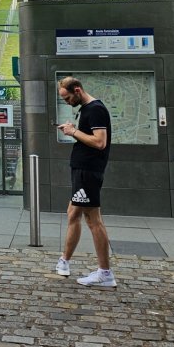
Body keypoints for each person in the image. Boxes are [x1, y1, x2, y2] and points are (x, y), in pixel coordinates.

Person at [55, 76, 116, 289]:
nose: (66, 102)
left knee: (93, 220)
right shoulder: (87, 109)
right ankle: (65, 260)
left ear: (78, 90)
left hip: (88, 171)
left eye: (67, 97)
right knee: (73, 214)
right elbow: (88, 136)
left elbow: (100, 142)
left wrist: (73, 132)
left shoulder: (95, 109)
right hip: (82, 170)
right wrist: (74, 130)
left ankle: (105, 273)